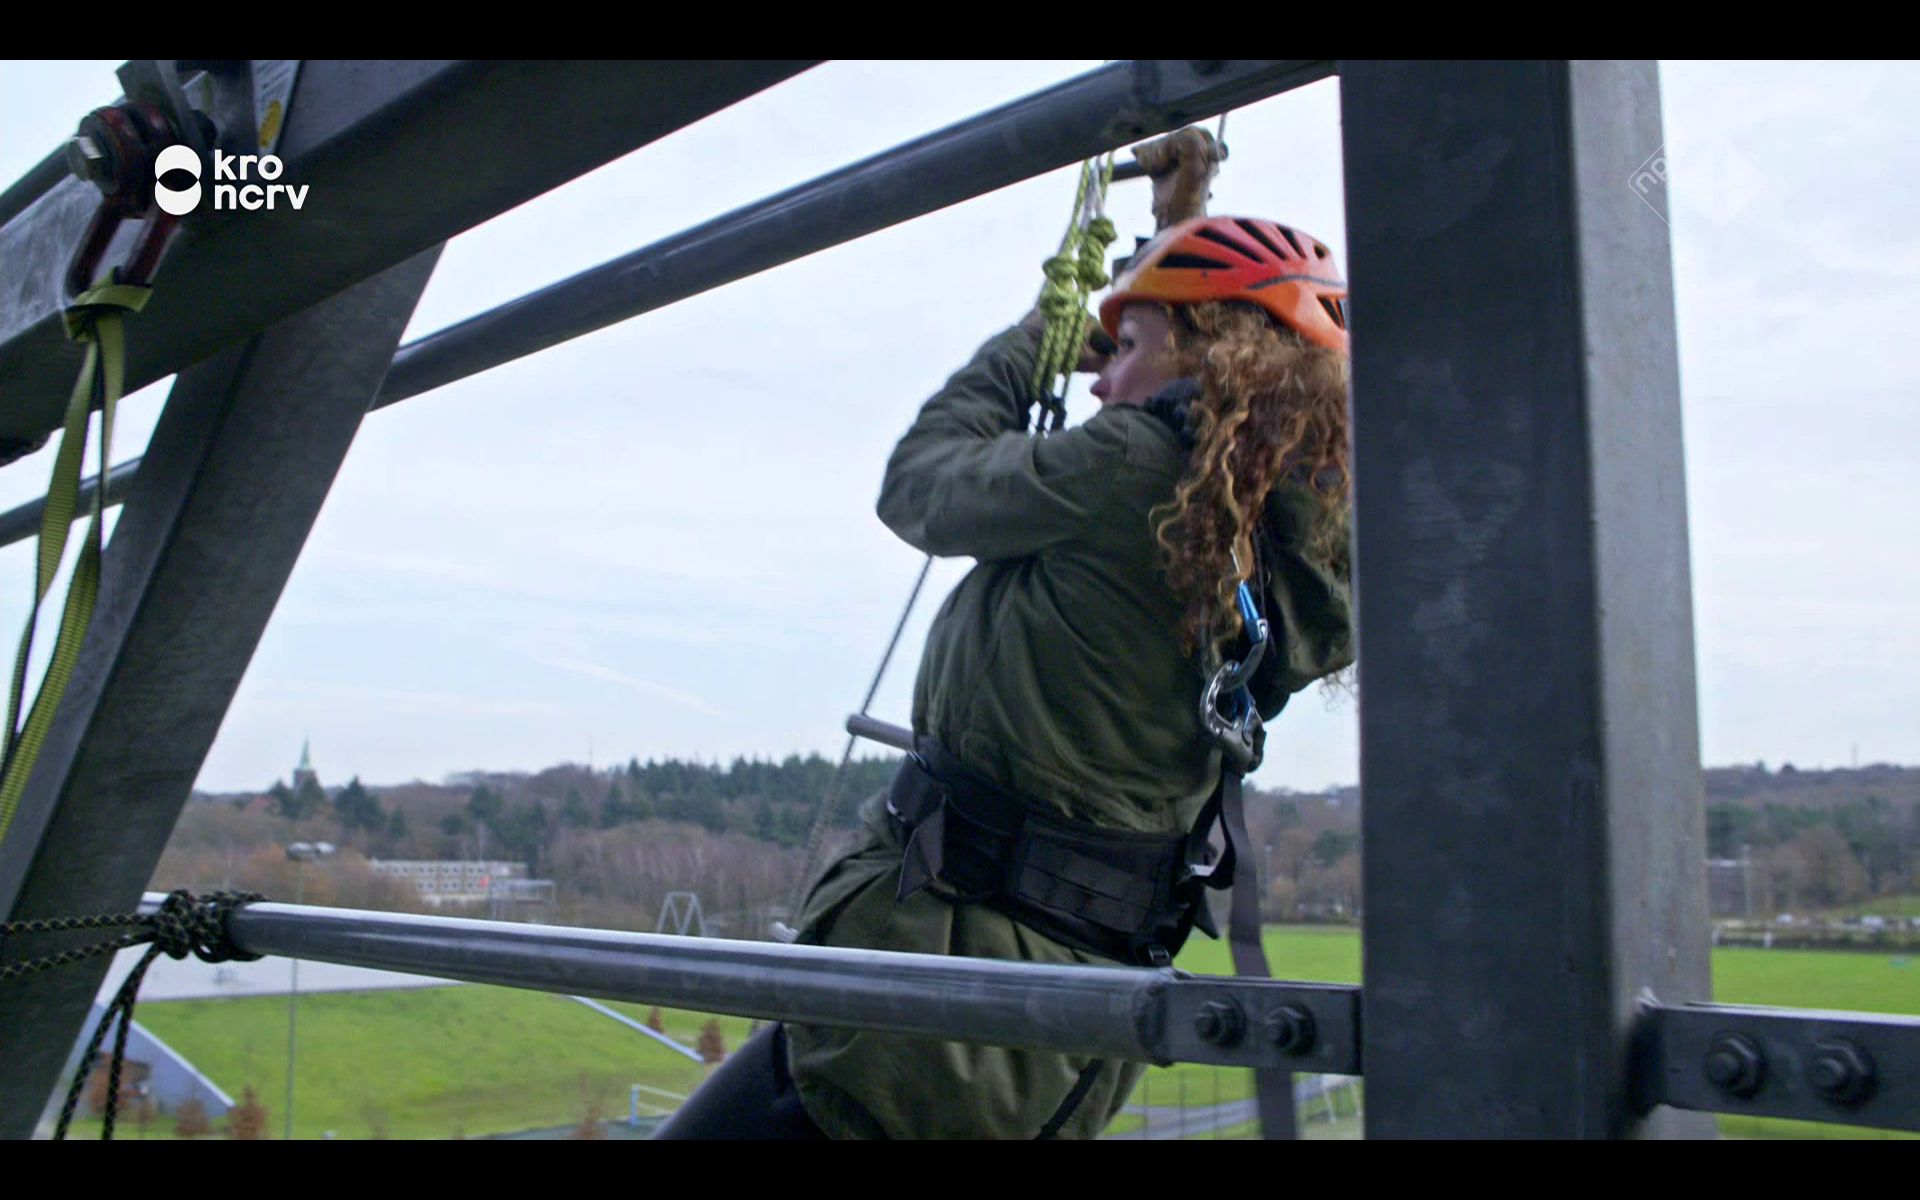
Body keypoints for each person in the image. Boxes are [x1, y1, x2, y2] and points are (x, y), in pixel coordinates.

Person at [654, 214, 1355, 1140]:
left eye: (1127, 349)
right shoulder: (1276, 529)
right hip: (1043, 1019)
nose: (1100, 380)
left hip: (933, 1007)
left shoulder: (1135, 468)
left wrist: (1033, 346)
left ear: (1213, 358)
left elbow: (920, 484)